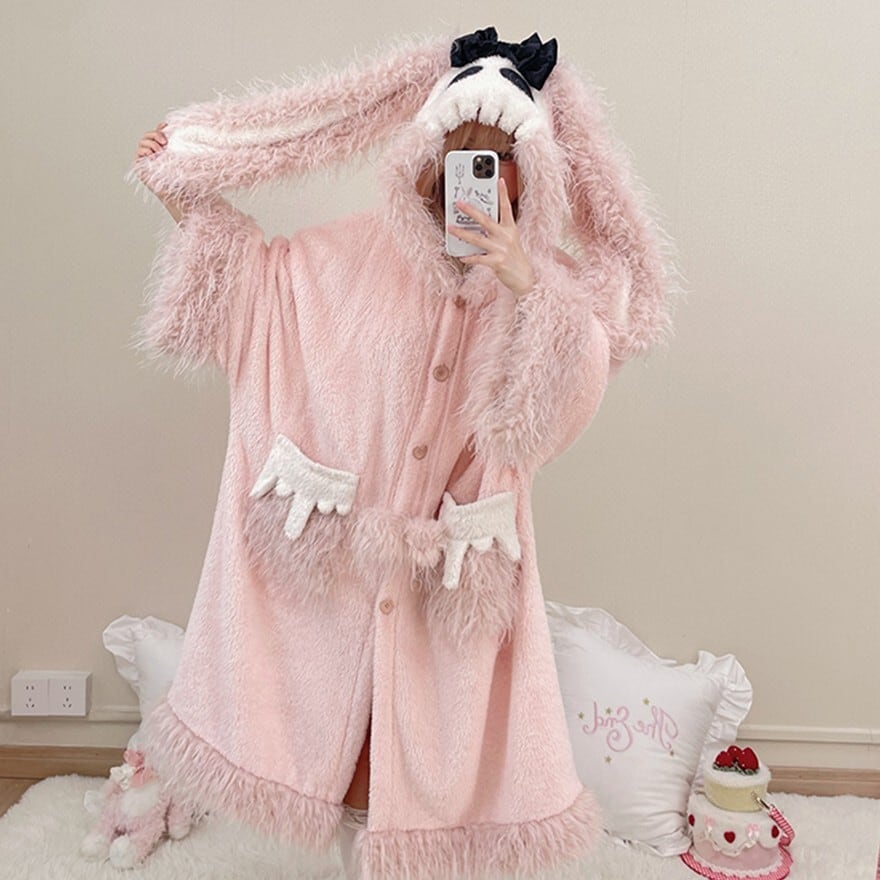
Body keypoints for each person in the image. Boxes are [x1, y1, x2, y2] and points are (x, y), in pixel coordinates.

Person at [128, 27, 673, 880]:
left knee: (430, 771)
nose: (479, 176)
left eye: (502, 159)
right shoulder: (353, 256)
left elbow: (549, 421)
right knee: (346, 757)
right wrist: (179, 185)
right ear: (425, 156)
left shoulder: (547, 292)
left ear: (536, 172)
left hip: (450, 581)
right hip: (345, 571)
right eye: (461, 153)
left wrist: (527, 284)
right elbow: (259, 291)